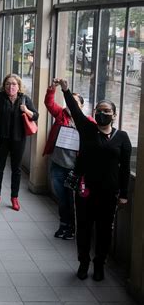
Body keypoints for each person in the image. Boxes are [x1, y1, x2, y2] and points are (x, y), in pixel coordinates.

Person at [57, 78, 132, 282]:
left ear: (114, 115)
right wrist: (65, 90)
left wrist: (123, 194)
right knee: (84, 227)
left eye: (106, 110)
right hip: (85, 190)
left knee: (104, 230)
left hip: (108, 193)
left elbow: (125, 168)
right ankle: (83, 262)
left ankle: (99, 263)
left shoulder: (122, 138)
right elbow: (75, 109)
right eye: (99, 109)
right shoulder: (87, 129)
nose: (102, 113)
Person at [43, 81, 94, 240]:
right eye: (69, 102)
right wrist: (52, 89)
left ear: (81, 106)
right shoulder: (61, 114)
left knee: (71, 200)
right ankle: (63, 225)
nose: (70, 106)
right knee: (62, 198)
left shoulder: (88, 123)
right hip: (58, 165)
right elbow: (49, 103)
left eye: (75, 103)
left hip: (74, 168)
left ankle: (71, 228)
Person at [0, 73, 38, 211]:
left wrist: (26, 110)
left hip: (19, 139)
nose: (11, 86)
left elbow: (36, 115)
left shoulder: (24, 99)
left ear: (19, 86)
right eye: (8, 84)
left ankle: (14, 198)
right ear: (4, 86)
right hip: (1, 139)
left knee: (16, 170)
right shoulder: (1, 97)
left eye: (14, 84)